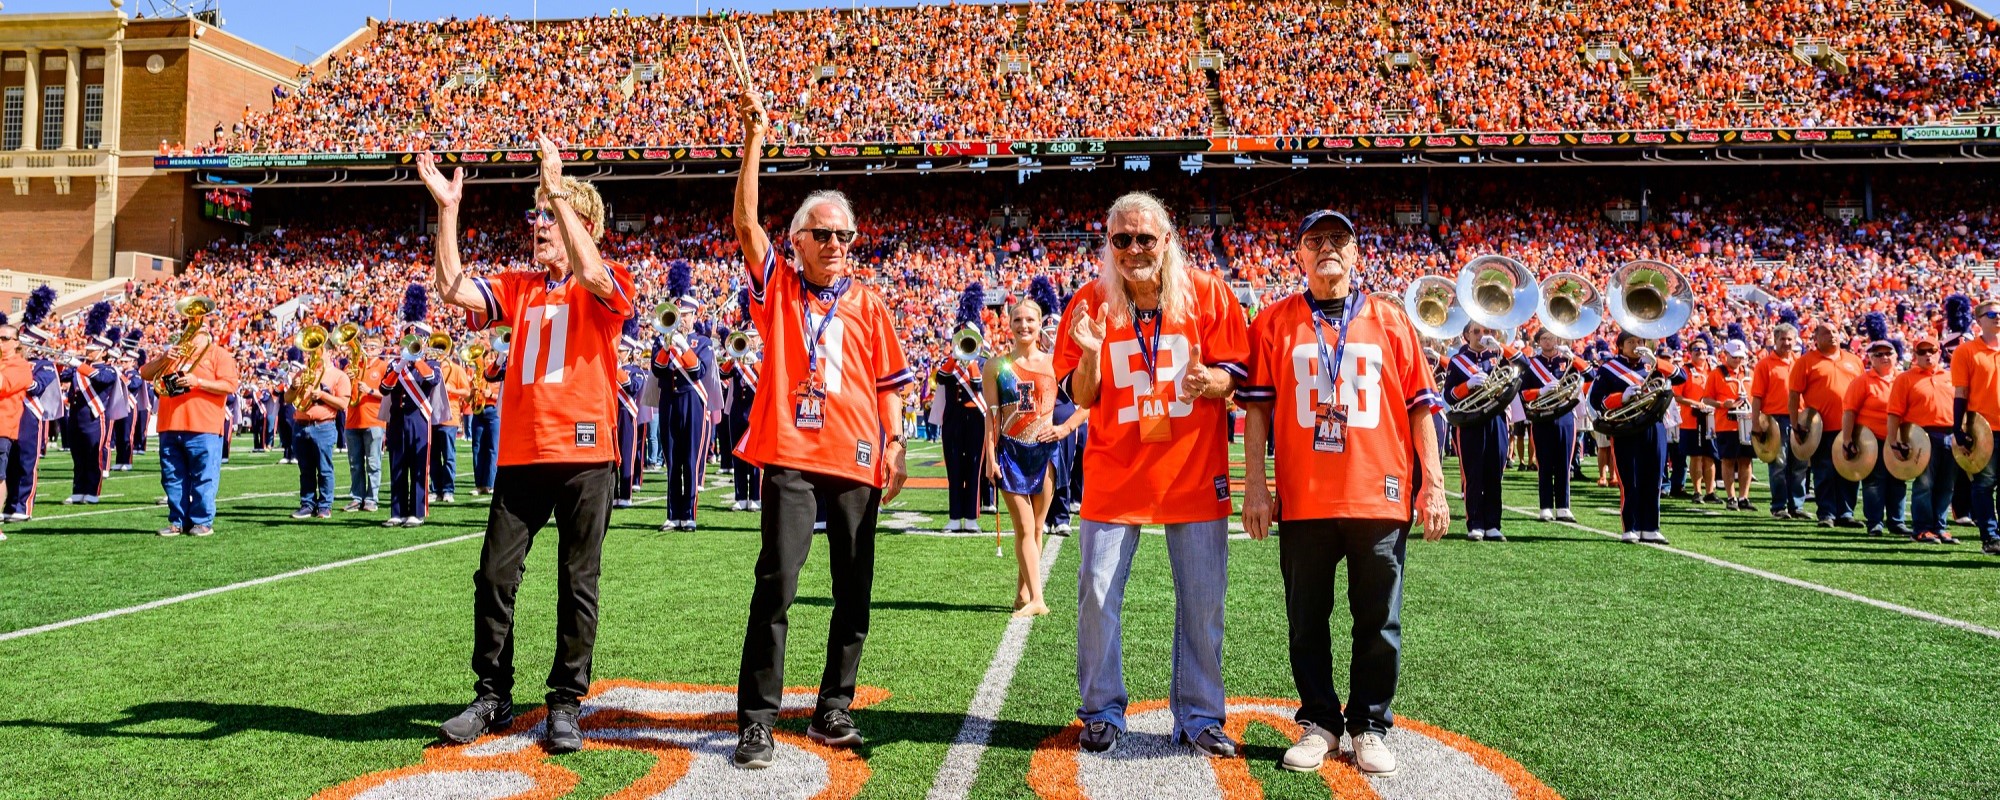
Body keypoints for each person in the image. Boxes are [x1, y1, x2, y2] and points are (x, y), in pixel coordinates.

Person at [726, 38, 913, 768]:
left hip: (859, 459)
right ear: (797, 241)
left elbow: (892, 385)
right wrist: (755, 140)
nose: (836, 244)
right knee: (776, 582)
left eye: (845, 235)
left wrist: (894, 446)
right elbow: (745, 224)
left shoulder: (869, 303)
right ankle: (757, 718)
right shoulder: (778, 289)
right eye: (823, 234)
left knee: (854, 590)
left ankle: (834, 706)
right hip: (793, 457)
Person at [420, 134, 637, 754]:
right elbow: (453, 288)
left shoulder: (607, 277)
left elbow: (591, 270)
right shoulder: (520, 286)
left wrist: (558, 185)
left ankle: (566, 701)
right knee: (492, 575)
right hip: (521, 453)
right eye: (538, 215)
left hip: (586, 456)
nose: (539, 225)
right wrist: (447, 211)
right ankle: (492, 692)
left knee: (577, 581)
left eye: (551, 215)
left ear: (582, 223)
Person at [1239, 209, 1449, 778]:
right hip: (1304, 497)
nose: (1328, 248)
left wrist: (1433, 481)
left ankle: (1370, 725)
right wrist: (1255, 484)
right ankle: (1321, 722)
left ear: (1357, 254)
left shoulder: (1390, 318)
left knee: (1379, 620)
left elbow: (1421, 408)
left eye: (1339, 239)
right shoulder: (1274, 322)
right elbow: (1257, 409)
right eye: (1316, 241)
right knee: (1307, 619)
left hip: (1378, 495)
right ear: (1299, 257)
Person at [1053, 190, 1250, 758]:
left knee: (1203, 600)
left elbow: (1236, 379)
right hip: (1117, 469)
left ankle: (1199, 715)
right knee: (1095, 593)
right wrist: (1090, 352)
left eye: (1145, 238)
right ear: (1108, 245)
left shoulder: (1208, 294)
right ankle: (1101, 710)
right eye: (1121, 239)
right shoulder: (1090, 302)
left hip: (1192, 466)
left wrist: (1205, 382)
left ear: (1167, 241)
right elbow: (1081, 396)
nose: (1134, 248)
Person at [981, 281, 1078, 618]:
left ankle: (1024, 593)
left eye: (1030, 320)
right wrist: (991, 458)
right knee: (1023, 527)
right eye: (1018, 320)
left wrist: (1065, 427)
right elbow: (992, 417)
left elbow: (1091, 400)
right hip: (1010, 454)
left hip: (1047, 452)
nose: (1024, 326)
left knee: (1037, 528)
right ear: (1009, 324)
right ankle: (1038, 599)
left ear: (1040, 324)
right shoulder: (995, 366)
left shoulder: (1056, 363)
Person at [139, 323, 239, 537]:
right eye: (187, 331)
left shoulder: (219, 354)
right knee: (172, 477)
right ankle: (177, 521)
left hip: (203, 425)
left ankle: (202, 522)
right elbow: (145, 374)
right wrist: (164, 357)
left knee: (203, 477)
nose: (188, 336)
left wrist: (198, 381)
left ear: (205, 335)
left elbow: (230, 386)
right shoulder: (174, 354)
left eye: (194, 332)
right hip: (169, 424)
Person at [1587, 331, 1688, 543]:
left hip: (1654, 425)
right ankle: (1630, 527)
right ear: (1621, 346)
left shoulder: (1653, 366)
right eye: (1630, 342)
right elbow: (1597, 400)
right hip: (1625, 427)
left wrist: (1657, 361)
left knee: (1654, 477)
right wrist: (1621, 398)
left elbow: (1681, 377)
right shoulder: (1608, 369)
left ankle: (1651, 527)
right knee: (1629, 478)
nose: (1635, 345)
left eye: (1639, 341)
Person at [1792, 321, 1864, 529]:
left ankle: (1846, 513)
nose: (1832, 335)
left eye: (1834, 331)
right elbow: (1794, 395)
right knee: (1824, 472)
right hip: (1820, 428)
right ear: (1816, 338)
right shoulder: (1806, 362)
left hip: (1850, 427)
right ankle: (1827, 513)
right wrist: (1796, 423)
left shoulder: (1854, 361)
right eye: (1826, 332)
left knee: (1850, 471)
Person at [653, 274, 710, 530]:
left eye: (685, 314)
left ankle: (689, 514)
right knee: (672, 460)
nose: (681, 318)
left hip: (692, 400)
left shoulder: (703, 343)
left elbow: (698, 371)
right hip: (669, 401)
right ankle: (672, 513)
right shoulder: (661, 341)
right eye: (678, 313)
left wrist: (683, 347)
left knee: (690, 459)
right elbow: (657, 369)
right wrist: (668, 345)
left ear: (694, 316)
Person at [1442, 323, 1509, 541]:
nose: (1482, 336)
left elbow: (1521, 369)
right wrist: (1467, 386)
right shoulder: (1458, 361)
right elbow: (1450, 396)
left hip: (1496, 418)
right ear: (1467, 335)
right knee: (1473, 474)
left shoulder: (1498, 356)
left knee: (1494, 472)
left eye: (1487, 331)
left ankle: (1493, 524)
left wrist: (1500, 347)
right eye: (1477, 332)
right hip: (1470, 420)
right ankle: (1475, 523)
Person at [1887, 335, 1956, 544]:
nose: (1928, 355)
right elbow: (1894, 413)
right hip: (1921, 436)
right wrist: (1893, 441)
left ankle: (1940, 527)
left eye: (1932, 351)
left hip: (1951, 435)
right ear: (1915, 355)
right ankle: (1922, 529)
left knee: (1947, 485)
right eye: (1922, 351)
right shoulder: (1905, 378)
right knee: (1924, 484)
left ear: (1939, 352)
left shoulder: (1951, 376)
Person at [1842, 338, 1910, 537]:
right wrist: (1847, 439)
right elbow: (1849, 412)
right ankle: (1875, 522)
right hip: (1872, 439)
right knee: (1874, 482)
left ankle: (1897, 521)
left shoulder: (1903, 379)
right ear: (1870, 358)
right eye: (1878, 354)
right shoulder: (1862, 381)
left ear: (1896, 356)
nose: (1884, 357)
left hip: (1898, 438)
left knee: (1898, 480)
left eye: (1888, 353)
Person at [1517, 328, 1586, 521]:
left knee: (1564, 462)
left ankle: (1563, 507)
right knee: (1544, 463)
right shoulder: (1531, 365)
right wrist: (1540, 392)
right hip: (1541, 415)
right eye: (1544, 338)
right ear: (1539, 342)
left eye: (1551, 337)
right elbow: (1522, 393)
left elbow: (1588, 373)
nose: (1548, 342)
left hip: (1565, 415)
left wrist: (1573, 357)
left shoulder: (1568, 360)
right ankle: (1545, 506)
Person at [382, 296, 439, 529]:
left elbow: (432, 379)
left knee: (418, 464)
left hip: (418, 418)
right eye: (408, 339)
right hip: (397, 419)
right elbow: (384, 387)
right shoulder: (395, 364)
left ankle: (417, 512)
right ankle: (397, 512)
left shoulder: (431, 364)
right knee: (397, 464)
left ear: (424, 342)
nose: (410, 343)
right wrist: (400, 364)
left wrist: (415, 360)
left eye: (415, 340)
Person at [1950, 299, 2000, 556]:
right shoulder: (1966, 351)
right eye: (1992, 314)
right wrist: (1958, 428)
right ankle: (1990, 537)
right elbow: (1961, 392)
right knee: (1984, 484)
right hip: (1984, 428)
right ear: (1979, 320)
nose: (1998, 317)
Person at [288, 345, 353, 520]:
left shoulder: (340, 376)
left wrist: (322, 396)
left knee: (324, 469)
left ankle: (325, 506)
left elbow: (343, 404)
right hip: (300, 424)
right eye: (309, 351)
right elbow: (288, 399)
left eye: (317, 351)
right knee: (305, 469)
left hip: (323, 425)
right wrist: (294, 387)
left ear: (330, 352)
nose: (311, 355)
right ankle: (307, 504)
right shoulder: (303, 373)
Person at [1751, 320, 1807, 519]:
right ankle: (1779, 506)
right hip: (1775, 419)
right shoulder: (1764, 365)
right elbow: (1756, 396)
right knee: (1779, 465)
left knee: (1800, 464)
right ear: (1775, 340)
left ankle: (1797, 506)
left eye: (1790, 339)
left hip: (1799, 418)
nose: (1787, 343)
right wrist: (1756, 423)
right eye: (1782, 339)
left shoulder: (1801, 363)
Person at [342, 334, 388, 513]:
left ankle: (372, 499)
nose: (368, 349)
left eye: (373, 346)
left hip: (374, 420)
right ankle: (356, 497)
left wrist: (370, 390)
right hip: (352, 420)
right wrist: (347, 378)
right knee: (355, 464)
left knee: (373, 463)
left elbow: (390, 395)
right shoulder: (352, 366)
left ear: (380, 349)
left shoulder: (384, 367)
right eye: (366, 346)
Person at [1712, 340, 1757, 511]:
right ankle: (1731, 497)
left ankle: (1744, 497)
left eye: (1741, 357)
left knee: (1746, 461)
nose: (1738, 360)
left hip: (1746, 423)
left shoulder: (1749, 373)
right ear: (1726, 355)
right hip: (1726, 424)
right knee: (1728, 460)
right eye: (1735, 357)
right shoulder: (1717, 374)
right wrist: (1725, 404)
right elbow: (1706, 399)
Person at [1674, 340, 1720, 505]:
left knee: (1710, 456)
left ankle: (1710, 491)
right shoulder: (1685, 371)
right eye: (1696, 349)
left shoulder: (1714, 370)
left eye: (1703, 349)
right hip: (1691, 421)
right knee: (1696, 456)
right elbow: (1677, 396)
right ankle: (1697, 491)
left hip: (1711, 420)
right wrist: (1695, 403)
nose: (1700, 352)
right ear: (1690, 352)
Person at [0, 323, 34, 542]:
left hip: (2, 427)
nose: (0, 342)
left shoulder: (21, 366)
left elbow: (2, 385)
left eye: (4, 338)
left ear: (16, 343)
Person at [430, 336, 471, 504]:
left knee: (448, 456)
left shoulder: (457, 369)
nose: (439, 352)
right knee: (433, 457)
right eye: (436, 348)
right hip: (432, 417)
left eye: (442, 348)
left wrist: (453, 389)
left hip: (450, 417)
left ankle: (448, 489)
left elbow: (467, 393)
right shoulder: (430, 368)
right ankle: (436, 489)